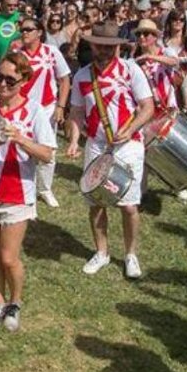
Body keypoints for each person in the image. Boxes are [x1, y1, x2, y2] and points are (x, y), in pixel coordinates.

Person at [0, 52, 56, 332]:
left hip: (18, 192)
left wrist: (20, 139)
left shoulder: (35, 111)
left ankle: (15, 303)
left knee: (8, 256)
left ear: (24, 80)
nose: (3, 84)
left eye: (10, 79)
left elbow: (47, 154)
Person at [67, 21, 155, 279]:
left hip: (129, 146)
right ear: (92, 45)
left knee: (128, 206)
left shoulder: (131, 71)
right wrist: (73, 140)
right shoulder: (82, 76)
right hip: (96, 145)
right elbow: (76, 112)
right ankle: (102, 252)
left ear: (117, 47)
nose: (105, 52)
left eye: (110, 47)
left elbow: (147, 107)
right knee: (96, 202)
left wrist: (130, 129)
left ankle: (130, 255)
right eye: (100, 46)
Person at [13, 17, 70, 208]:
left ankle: (45, 189)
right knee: (22, 149)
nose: (24, 32)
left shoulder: (51, 52)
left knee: (47, 151)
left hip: (47, 109)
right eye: (22, 29)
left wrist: (61, 107)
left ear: (39, 32)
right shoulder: (16, 54)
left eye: (29, 29)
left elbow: (64, 80)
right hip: (23, 109)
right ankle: (23, 185)